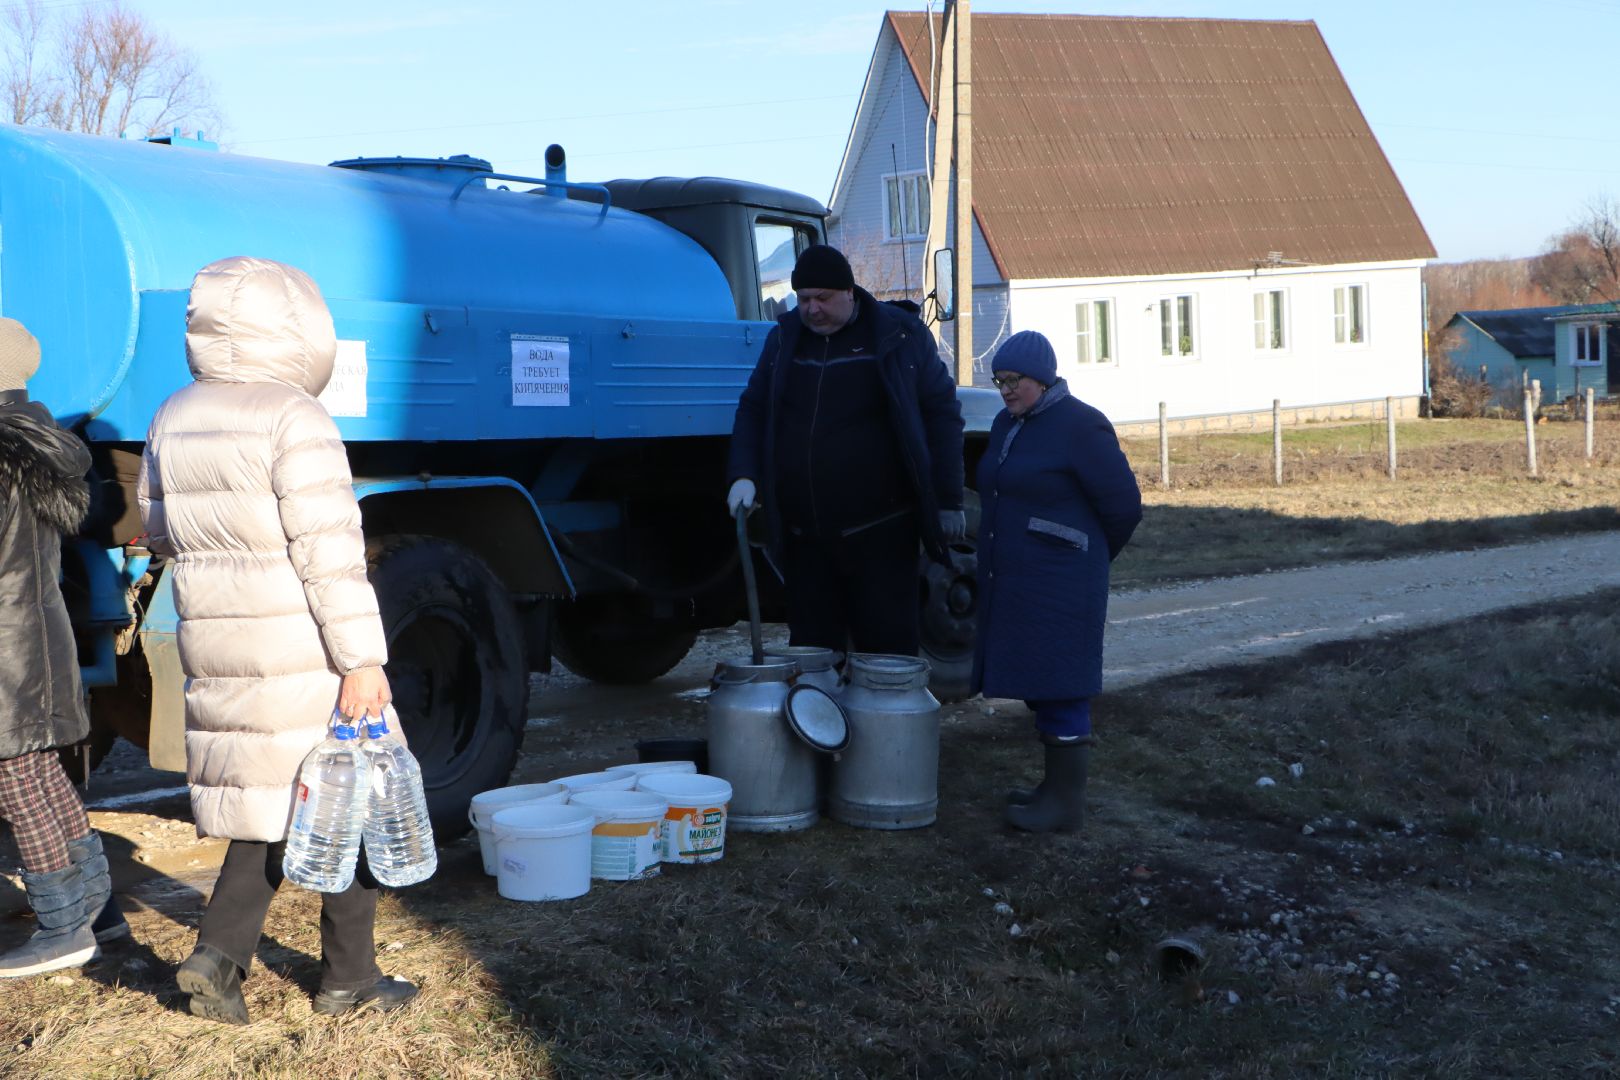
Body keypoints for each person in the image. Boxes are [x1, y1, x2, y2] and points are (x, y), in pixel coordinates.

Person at [138, 256, 417, 1024]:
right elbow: (329, 551)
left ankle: (217, 960)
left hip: (216, 635)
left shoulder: (173, 413)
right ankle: (349, 979)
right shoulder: (296, 416)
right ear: (296, 326)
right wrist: (361, 660)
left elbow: (159, 531)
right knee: (344, 796)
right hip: (301, 641)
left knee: (268, 801)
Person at [726, 244, 965, 656]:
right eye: (803, 299)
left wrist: (948, 499)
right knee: (814, 658)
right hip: (806, 540)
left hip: (882, 535)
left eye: (823, 298)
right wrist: (743, 474)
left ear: (849, 292)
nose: (812, 309)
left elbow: (942, 415)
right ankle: (821, 721)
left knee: (887, 656)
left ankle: (886, 723)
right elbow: (754, 407)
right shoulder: (784, 340)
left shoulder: (898, 336)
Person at [0, 318, 130, 978]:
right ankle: (95, 904)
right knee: (42, 774)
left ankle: (61, 927)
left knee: (17, 783)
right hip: (35, 641)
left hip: (4, 653)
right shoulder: (36, 443)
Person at [971, 330, 1142, 833]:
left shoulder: (1081, 425)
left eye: (1014, 380)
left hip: (1062, 581)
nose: (1005, 389)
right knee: (1039, 681)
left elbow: (1123, 508)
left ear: (1042, 379)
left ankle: (1066, 805)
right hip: (1020, 579)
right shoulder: (1008, 424)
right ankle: (1053, 788)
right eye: (999, 380)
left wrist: (1082, 556)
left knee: (1062, 683)